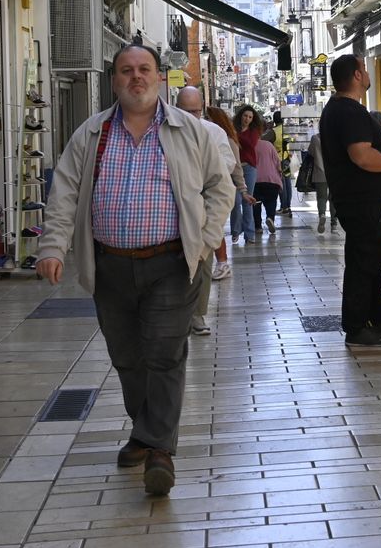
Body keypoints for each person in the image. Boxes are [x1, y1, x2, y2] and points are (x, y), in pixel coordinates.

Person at [36, 45, 232, 496]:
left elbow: (219, 188)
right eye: (127, 71)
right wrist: (53, 247)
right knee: (126, 357)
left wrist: (203, 246)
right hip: (109, 266)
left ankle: (159, 449)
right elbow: (64, 193)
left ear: (161, 79)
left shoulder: (191, 131)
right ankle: (145, 431)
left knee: (164, 353)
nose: (136, 78)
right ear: (114, 81)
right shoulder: (92, 134)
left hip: (170, 262)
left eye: (144, 70)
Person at [319, 54, 381, 348]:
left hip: (366, 201)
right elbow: (362, 155)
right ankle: (357, 328)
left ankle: (378, 320)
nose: (368, 73)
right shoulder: (349, 112)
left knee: (372, 263)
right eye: (365, 68)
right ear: (357, 76)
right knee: (363, 264)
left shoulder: (343, 110)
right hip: (363, 203)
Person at [175, 87, 238, 335]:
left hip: (202, 204)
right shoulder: (166, 130)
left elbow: (228, 164)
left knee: (202, 260)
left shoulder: (214, 132)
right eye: (186, 111)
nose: (192, 116)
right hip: (172, 205)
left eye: (196, 111)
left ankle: (198, 314)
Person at [205, 106, 247, 280]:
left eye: (207, 117)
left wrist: (243, 189)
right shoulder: (207, 133)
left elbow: (235, 164)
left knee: (213, 225)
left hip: (218, 188)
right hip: (210, 187)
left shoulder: (224, 137)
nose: (203, 120)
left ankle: (222, 263)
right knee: (212, 225)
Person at [230, 104, 260, 245]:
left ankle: (250, 234)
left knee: (247, 201)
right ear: (240, 115)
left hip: (249, 168)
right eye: (245, 116)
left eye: (250, 117)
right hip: (233, 168)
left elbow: (250, 143)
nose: (247, 119)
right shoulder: (232, 129)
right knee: (235, 202)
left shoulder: (253, 131)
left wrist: (235, 136)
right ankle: (235, 231)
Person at [252, 122, 283, 234]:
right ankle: (270, 218)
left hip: (255, 180)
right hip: (271, 179)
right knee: (271, 201)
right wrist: (280, 174)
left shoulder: (251, 146)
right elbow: (277, 163)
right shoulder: (269, 145)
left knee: (256, 204)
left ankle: (258, 226)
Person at [306, 131, 335, 235]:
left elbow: (310, 152)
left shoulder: (315, 138)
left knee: (321, 197)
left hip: (319, 172)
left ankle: (322, 214)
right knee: (333, 198)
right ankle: (334, 224)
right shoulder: (335, 137)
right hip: (334, 173)